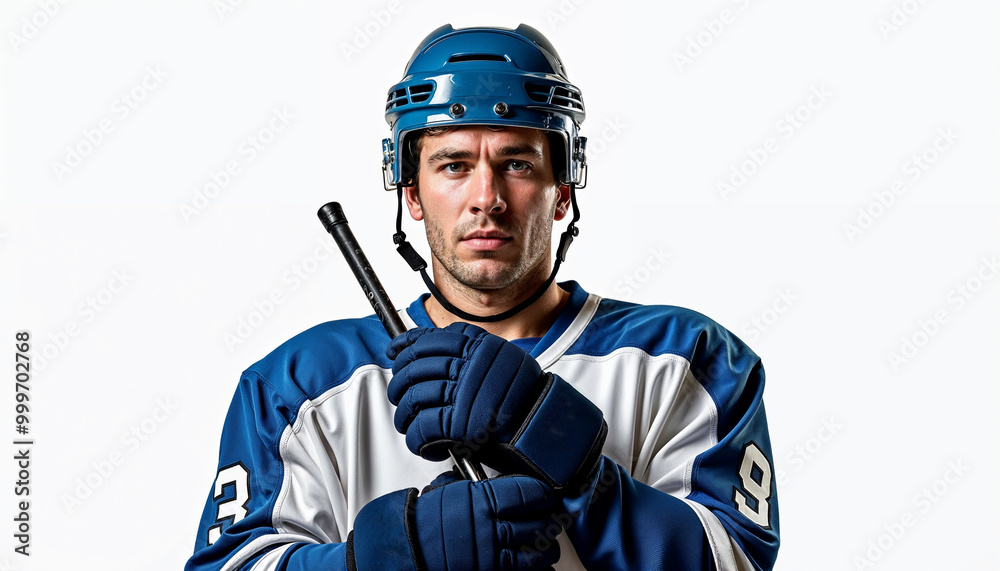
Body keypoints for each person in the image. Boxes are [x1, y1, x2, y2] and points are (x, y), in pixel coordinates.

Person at [186, 24, 779, 571]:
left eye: (516, 162)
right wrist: (377, 560)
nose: (486, 197)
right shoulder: (299, 384)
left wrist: (564, 449)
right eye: (453, 165)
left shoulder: (688, 361)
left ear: (564, 189)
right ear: (411, 193)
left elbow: (736, 563)